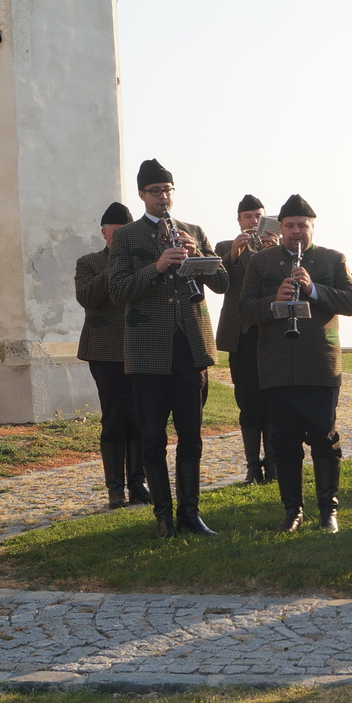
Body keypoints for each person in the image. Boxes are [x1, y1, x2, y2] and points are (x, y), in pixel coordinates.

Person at [108, 159, 230, 538]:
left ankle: (190, 514)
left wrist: (198, 259)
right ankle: (164, 515)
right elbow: (118, 290)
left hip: (190, 348)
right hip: (147, 352)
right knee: (153, 438)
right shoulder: (127, 237)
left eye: (167, 190)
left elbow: (223, 283)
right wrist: (158, 266)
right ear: (142, 195)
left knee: (191, 436)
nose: (163, 197)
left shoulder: (193, 231)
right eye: (156, 191)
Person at [240, 195, 352, 533]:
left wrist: (314, 289)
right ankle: (292, 510)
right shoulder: (261, 261)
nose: (296, 232)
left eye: (302, 226)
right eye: (290, 226)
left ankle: (328, 510)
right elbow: (244, 310)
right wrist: (273, 301)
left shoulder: (332, 259)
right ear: (280, 228)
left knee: (325, 440)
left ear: (312, 228)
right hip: (277, 365)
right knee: (284, 442)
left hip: (319, 364)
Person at [75, 201, 148, 509]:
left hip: (140, 349)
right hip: (104, 352)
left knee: (141, 416)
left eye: (124, 234)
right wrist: (114, 267)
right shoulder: (89, 262)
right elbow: (87, 297)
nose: (119, 239)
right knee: (116, 416)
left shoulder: (142, 262)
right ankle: (115, 488)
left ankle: (138, 484)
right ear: (103, 233)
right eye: (114, 233)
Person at [216, 194, 280, 485]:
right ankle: (253, 467)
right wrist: (233, 254)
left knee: (273, 402)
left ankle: (274, 464)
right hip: (241, 336)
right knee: (248, 402)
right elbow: (219, 283)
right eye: (248, 217)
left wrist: (277, 252)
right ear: (239, 221)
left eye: (258, 216)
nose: (254, 221)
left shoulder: (280, 248)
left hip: (272, 333)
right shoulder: (225, 247)